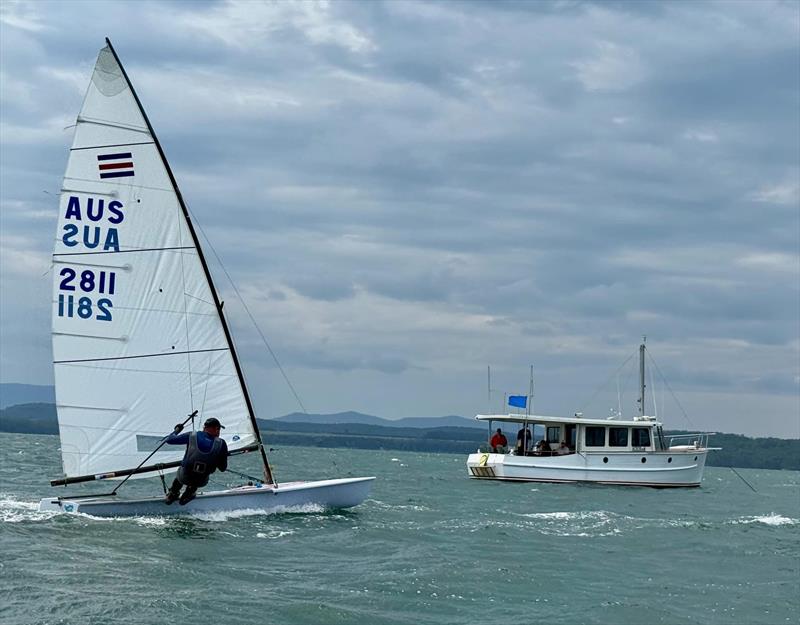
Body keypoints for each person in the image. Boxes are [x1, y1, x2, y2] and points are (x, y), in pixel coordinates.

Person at [164, 417, 229, 505]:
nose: (219, 432)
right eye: (218, 429)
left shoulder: (192, 435)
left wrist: (176, 430)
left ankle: (172, 494)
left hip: (184, 477)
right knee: (200, 474)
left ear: (204, 427)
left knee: (183, 470)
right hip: (201, 481)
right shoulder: (222, 444)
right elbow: (223, 468)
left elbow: (169, 440)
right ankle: (188, 494)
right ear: (215, 429)